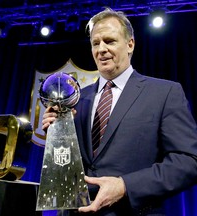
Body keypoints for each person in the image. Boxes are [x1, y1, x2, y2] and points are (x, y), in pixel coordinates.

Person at [41, 7, 197, 216]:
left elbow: (188, 161)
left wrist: (125, 186)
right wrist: (56, 136)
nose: (101, 49)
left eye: (110, 41)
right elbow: (68, 168)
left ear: (130, 44)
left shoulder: (165, 93)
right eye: (95, 43)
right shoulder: (76, 99)